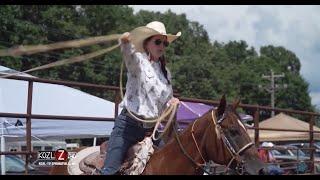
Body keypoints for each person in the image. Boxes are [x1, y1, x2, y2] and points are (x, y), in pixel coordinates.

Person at [100, 21, 181, 175]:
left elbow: (164, 105)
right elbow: (129, 57)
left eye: (165, 43)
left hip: (151, 131)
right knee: (110, 171)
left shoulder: (165, 74)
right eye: (158, 42)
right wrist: (125, 43)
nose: (162, 46)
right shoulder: (139, 62)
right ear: (146, 43)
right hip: (127, 127)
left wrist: (172, 103)